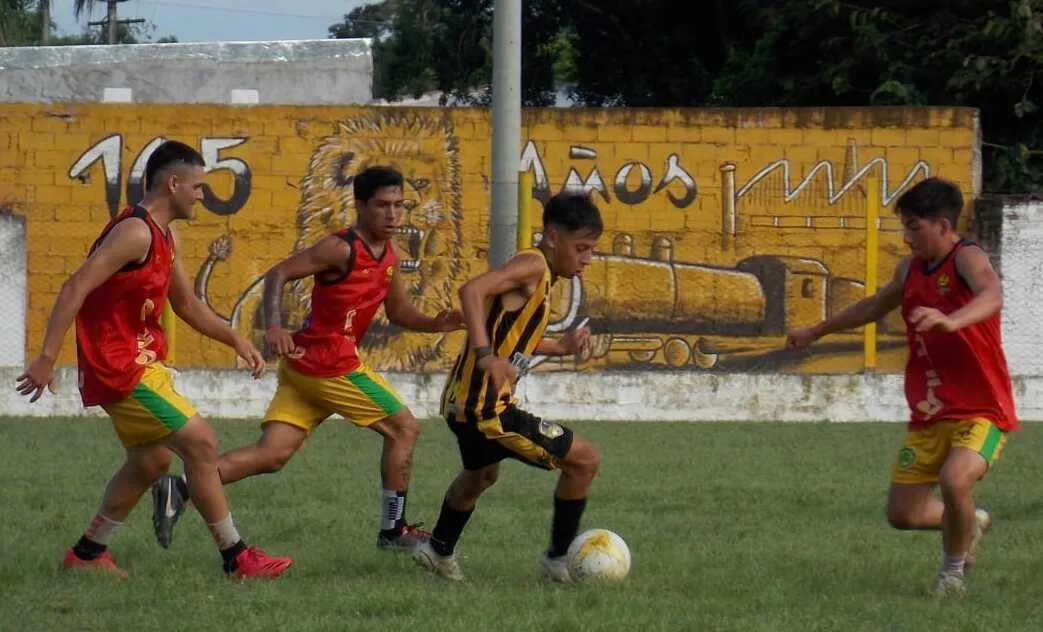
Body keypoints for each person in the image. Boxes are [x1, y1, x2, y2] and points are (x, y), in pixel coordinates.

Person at [16, 140, 292, 579]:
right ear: (173, 182)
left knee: (152, 461)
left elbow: (186, 304)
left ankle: (87, 555)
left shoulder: (165, 233)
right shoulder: (136, 232)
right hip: (118, 367)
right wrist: (47, 356)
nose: (203, 195)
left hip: (142, 365)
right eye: (198, 187)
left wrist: (234, 339)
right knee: (200, 442)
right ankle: (237, 558)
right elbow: (74, 288)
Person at [151, 165, 463, 552]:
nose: (393, 214)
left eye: (399, 205)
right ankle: (393, 531)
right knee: (405, 429)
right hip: (330, 366)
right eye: (383, 205)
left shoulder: (389, 255)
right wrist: (275, 327)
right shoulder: (341, 248)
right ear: (360, 205)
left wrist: (436, 323)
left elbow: (399, 312)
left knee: (272, 455)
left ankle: (179, 487)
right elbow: (278, 274)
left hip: (306, 369)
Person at [785, 177, 1017, 598]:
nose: (906, 237)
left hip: (981, 409)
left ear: (943, 225)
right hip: (929, 413)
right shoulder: (910, 269)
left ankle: (952, 573)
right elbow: (874, 305)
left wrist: (955, 320)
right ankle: (971, 522)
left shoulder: (967, 259)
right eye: (905, 228)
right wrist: (817, 330)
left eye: (914, 227)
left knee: (955, 478)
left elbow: (992, 293)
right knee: (903, 514)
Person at [412, 192, 603, 582]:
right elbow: (472, 291)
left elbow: (514, 338)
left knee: (482, 474)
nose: (586, 259)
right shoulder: (532, 264)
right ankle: (556, 560)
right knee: (584, 460)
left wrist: (561, 346)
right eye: (581, 248)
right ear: (552, 238)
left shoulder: (542, 276)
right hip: (486, 410)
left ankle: (437, 549)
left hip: (463, 403)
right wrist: (485, 356)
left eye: (591, 250)